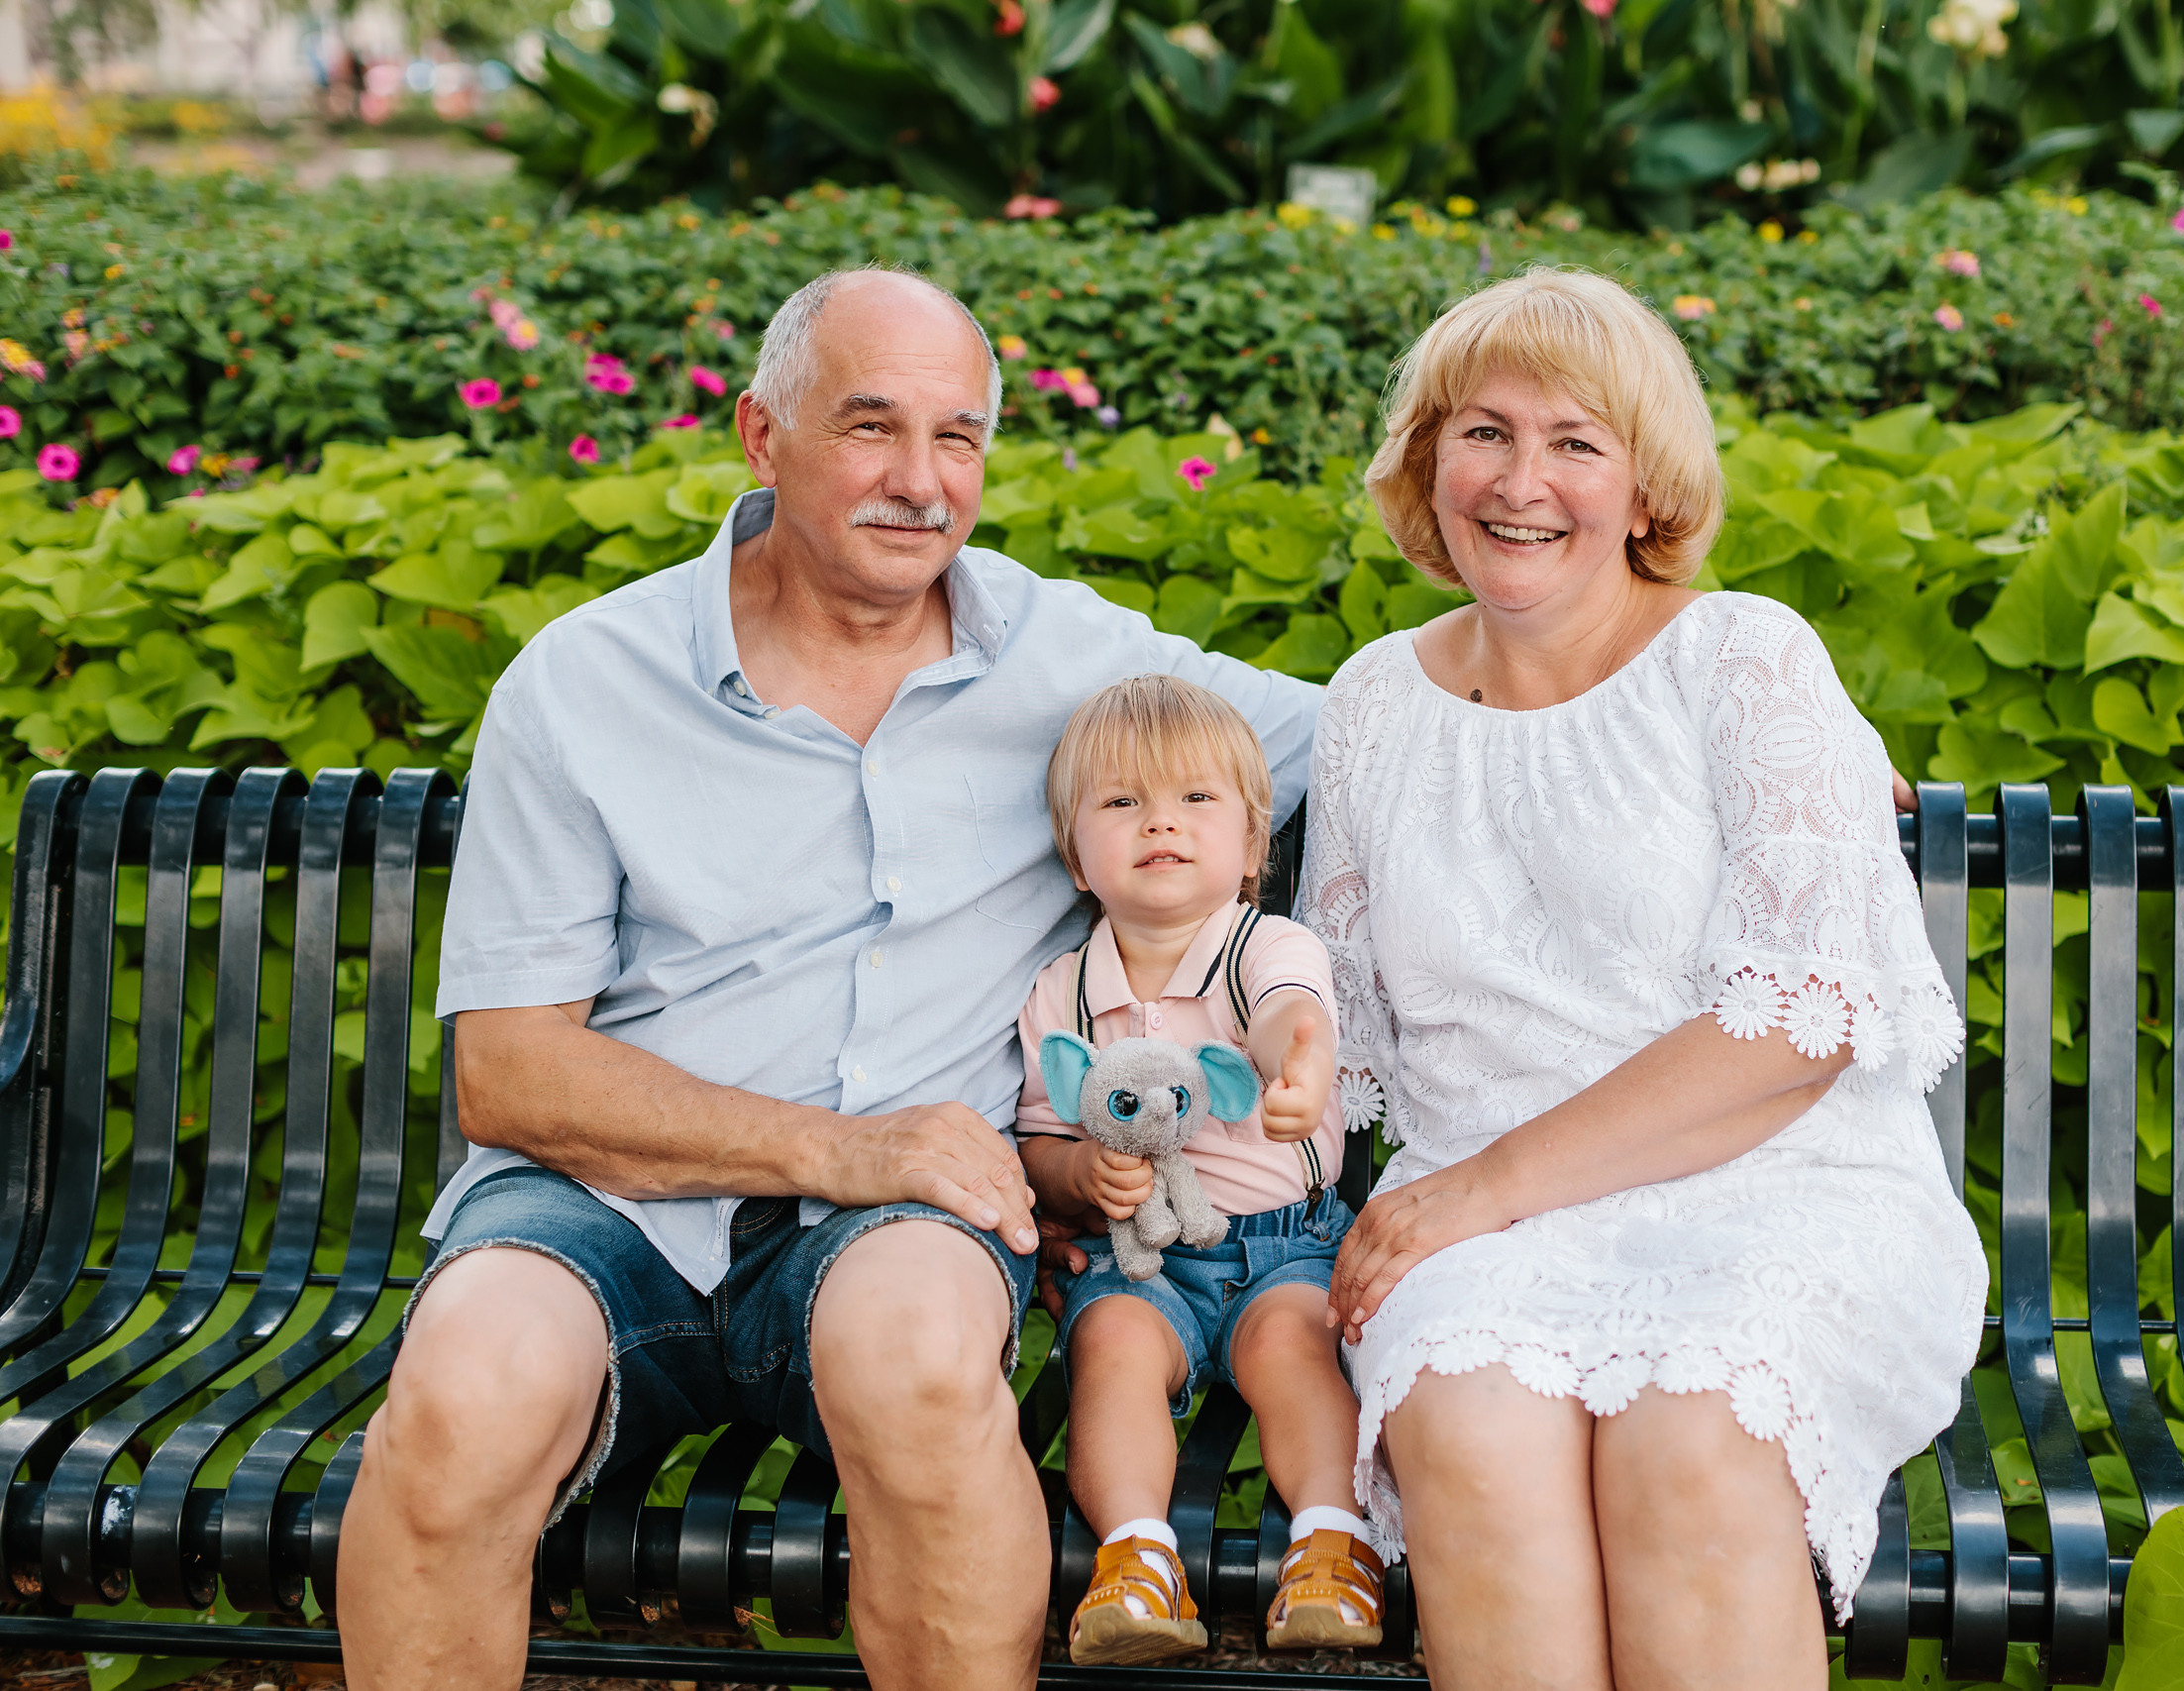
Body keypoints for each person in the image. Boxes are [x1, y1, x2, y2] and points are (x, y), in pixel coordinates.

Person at [334, 266, 1320, 1691]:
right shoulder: (586, 681)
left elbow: (1375, 740)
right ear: (761, 437)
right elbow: (510, 1069)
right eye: (870, 427)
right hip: (602, 1199)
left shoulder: (1073, 659)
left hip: (910, 1222)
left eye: (959, 436)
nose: (920, 481)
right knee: (460, 1396)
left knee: (924, 1357)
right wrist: (844, 1148)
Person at [1298, 267, 1987, 1691]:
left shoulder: (1741, 659)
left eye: (1575, 442)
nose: (1520, 480)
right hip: (1476, 1222)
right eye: (1482, 432)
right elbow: (1334, 1030)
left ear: (1645, 486)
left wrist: (1473, 1193)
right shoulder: (1372, 702)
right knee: (1472, 1433)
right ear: (1427, 460)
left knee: (1693, 1436)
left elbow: (1788, 1031)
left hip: (1784, 1189)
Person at [1013, 675, 1377, 1667]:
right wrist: (1083, 1177)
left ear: (1254, 849)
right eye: (1122, 802)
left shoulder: (1260, 945)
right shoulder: (1062, 993)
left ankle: (1331, 1547)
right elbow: (1041, 1140)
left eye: (1196, 801)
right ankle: (1136, 1560)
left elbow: (1287, 1010)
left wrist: (1298, 1063)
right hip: (1144, 1262)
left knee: (1290, 1355)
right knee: (1112, 1355)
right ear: (1075, 856)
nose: (1160, 824)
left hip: (1278, 1250)